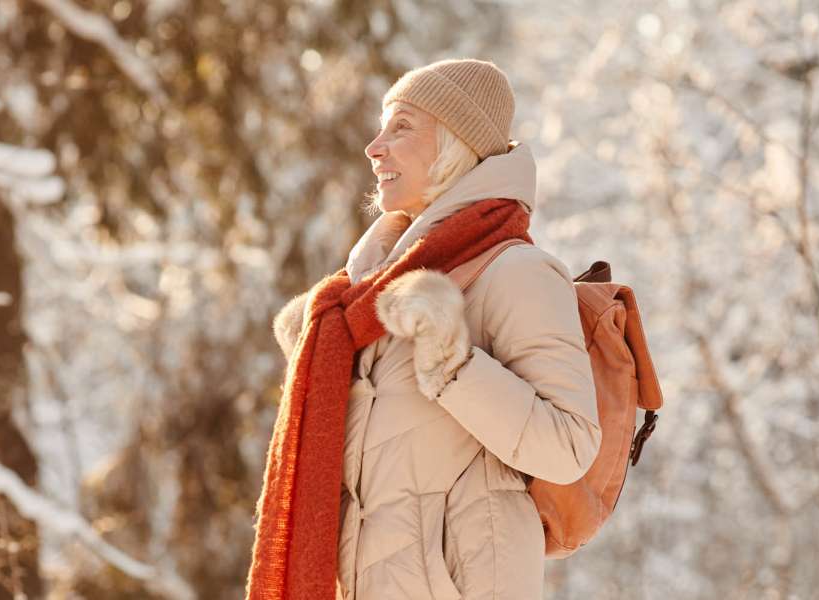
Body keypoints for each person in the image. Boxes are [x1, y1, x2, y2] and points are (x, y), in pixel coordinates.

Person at [253, 58, 601, 600]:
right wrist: (323, 347)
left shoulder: (517, 272)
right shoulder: (362, 297)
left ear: (455, 142)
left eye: (403, 126)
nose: (374, 147)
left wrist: (450, 361)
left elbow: (569, 447)